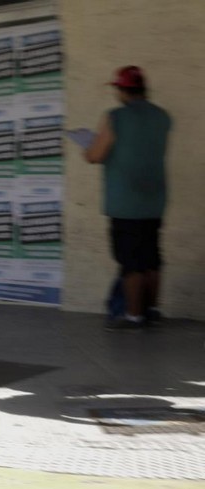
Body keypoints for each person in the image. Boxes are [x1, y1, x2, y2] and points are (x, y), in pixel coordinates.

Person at [84, 66, 171, 330]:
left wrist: (89, 145)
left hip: (125, 200)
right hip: (154, 197)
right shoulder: (162, 117)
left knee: (131, 261)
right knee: (151, 257)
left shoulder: (115, 117)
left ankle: (134, 316)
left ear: (122, 90)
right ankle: (152, 309)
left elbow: (95, 155)